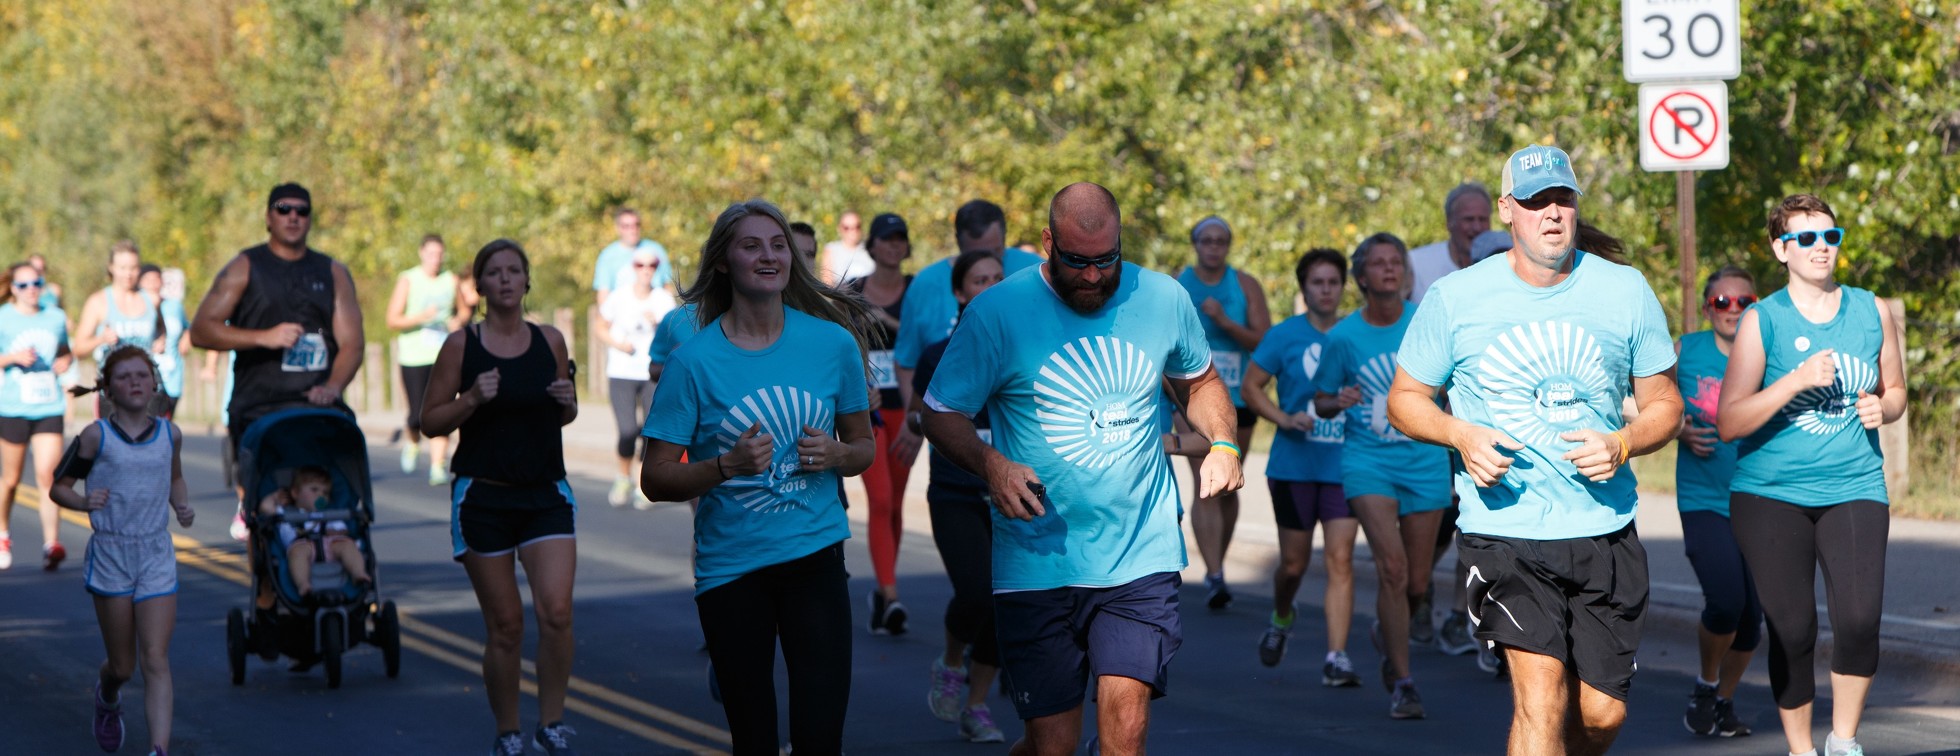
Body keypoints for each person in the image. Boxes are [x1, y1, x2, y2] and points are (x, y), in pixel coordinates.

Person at [922, 182, 1244, 756]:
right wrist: (991, 463)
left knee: (1125, 736)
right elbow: (941, 413)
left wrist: (1223, 441)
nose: (1093, 276)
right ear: (1048, 243)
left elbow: (1199, 380)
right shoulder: (998, 312)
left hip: (1138, 553)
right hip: (1037, 560)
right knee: (1054, 747)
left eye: (1106, 260)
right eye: (1077, 261)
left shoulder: (1164, 297)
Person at [1388, 144, 1683, 754]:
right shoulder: (1456, 298)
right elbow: (1405, 399)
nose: (1551, 213)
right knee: (1540, 700)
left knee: (1600, 717)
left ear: (1575, 207)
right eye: (1534, 201)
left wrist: (1624, 441)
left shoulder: (1625, 291)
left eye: (1562, 200)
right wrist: (1459, 434)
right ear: (1507, 210)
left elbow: (1667, 406)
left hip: (1603, 525)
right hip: (1506, 528)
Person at [640, 199, 875, 756]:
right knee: (755, 739)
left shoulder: (832, 344)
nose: (768, 256)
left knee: (820, 739)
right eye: (751, 245)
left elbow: (863, 446)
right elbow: (654, 478)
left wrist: (839, 456)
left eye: (777, 245)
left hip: (815, 559)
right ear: (723, 262)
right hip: (733, 570)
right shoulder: (692, 362)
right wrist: (727, 465)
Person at [1717, 194, 1905, 756]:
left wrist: (1884, 408)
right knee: (1795, 630)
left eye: (1830, 237)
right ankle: (1801, 750)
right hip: (1770, 495)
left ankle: (1843, 742)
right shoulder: (1763, 319)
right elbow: (1729, 421)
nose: (1821, 248)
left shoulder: (1872, 310)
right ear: (1781, 248)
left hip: (1854, 485)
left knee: (1859, 619)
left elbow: (1894, 390)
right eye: (1806, 239)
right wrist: (1794, 382)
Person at [420, 239, 582, 756]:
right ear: (480, 285)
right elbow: (430, 422)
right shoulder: (461, 346)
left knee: (556, 613)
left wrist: (568, 403)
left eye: (515, 271)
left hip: (545, 494)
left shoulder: (550, 341)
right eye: (495, 272)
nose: (507, 279)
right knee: (507, 625)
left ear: (527, 281)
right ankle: (509, 731)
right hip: (483, 499)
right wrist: (471, 398)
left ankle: (551, 723)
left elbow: (563, 412)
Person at [190, 183, 364, 581]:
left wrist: (333, 387)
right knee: (264, 507)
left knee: (334, 497)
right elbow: (201, 330)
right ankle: (268, 591)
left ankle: (342, 577)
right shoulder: (245, 266)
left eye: (301, 211)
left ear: (310, 218)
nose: (292, 217)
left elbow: (353, 344)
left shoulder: (332, 271)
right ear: (268, 217)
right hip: (259, 408)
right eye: (283, 209)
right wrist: (261, 337)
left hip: (317, 408)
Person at [1311, 232, 1449, 720]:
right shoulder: (1344, 337)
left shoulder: (1427, 324)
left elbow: (1453, 388)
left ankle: (1387, 635)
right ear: (1362, 277)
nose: (1390, 269)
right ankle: (1405, 683)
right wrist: (1338, 400)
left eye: (1397, 263)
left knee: (1415, 583)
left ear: (1406, 275)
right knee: (1391, 570)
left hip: (1425, 460)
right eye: (1379, 263)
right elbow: (1321, 397)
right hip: (1368, 462)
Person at [48, 346, 193, 756]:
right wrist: (83, 503)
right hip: (111, 553)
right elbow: (59, 487)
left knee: (156, 658)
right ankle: (107, 695)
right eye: (125, 376)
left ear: (154, 384)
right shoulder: (97, 436)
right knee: (124, 667)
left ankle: (159, 750)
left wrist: (180, 504)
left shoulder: (170, 434)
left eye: (142, 375)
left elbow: (175, 477)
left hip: (155, 553)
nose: (135, 382)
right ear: (108, 388)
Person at [1241, 248, 1359, 685]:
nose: (1326, 290)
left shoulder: (1355, 333)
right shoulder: (1284, 335)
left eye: (1333, 282)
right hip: (1293, 465)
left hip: (1344, 465)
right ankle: (1282, 615)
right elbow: (1251, 387)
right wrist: (1282, 418)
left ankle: (1337, 656)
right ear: (1303, 288)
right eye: (1317, 283)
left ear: (1343, 286)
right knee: (1293, 565)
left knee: (1340, 558)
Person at [911, 249, 1008, 742]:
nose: (989, 286)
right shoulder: (937, 355)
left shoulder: (1022, 349)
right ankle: (952, 661)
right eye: (979, 279)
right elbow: (920, 414)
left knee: (1005, 599)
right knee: (976, 593)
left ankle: (976, 705)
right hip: (956, 492)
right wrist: (919, 424)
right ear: (960, 292)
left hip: (1012, 494)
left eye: (997, 278)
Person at [890, 200, 1046, 484]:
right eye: (975, 258)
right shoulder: (925, 284)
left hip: (1026, 452)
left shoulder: (1037, 273)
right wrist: (917, 420)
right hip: (956, 458)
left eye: (995, 253)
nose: (990, 282)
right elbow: (908, 361)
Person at [1675, 265, 1762, 738]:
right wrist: (1677, 428)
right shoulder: (1685, 351)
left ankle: (1722, 702)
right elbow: (1640, 398)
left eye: (1743, 302)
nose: (1733, 310)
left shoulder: (1771, 352)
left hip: (1760, 500)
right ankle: (1706, 686)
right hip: (1704, 500)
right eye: (1721, 303)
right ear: (1709, 308)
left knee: (1751, 625)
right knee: (1726, 603)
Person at [1175, 215, 1271, 610]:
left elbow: (1265, 339)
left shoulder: (1244, 285)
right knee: (1204, 481)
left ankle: (1219, 565)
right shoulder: (1179, 284)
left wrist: (1223, 320)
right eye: (1206, 240)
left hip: (1238, 399)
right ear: (1195, 244)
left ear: (1228, 246)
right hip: (1189, 393)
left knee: (1229, 483)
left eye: (1221, 241)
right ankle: (1214, 574)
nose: (1213, 247)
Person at [845, 212, 917, 634]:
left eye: (900, 239)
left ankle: (882, 592)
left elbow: (920, 338)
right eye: (885, 239)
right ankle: (890, 596)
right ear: (871, 246)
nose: (893, 245)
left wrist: (885, 320)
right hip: (866, 407)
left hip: (904, 409)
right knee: (881, 499)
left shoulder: (916, 291)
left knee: (896, 503)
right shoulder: (852, 291)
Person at [0, 262, 74, 571]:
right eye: (24, 285)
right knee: (12, 479)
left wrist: (65, 362)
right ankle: (3, 533)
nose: (31, 290)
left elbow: (66, 351)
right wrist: (12, 358)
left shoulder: (55, 317)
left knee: (48, 475)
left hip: (48, 405)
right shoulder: (3, 317)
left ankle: (51, 543)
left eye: (36, 283)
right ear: (12, 289)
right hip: (14, 406)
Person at [594, 247, 675, 508]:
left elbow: (676, 333)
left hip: (653, 372)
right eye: (640, 265)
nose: (646, 270)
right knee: (628, 430)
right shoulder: (619, 297)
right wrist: (617, 344)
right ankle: (622, 476)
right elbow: (599, 325)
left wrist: (659, 324)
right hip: (622, 371)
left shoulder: (663, 299)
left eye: (651, 265)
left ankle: (643, 482)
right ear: (633, 268)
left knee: (650, 431)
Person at [385, 234, 465, 485]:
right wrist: (422, 317)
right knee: (417, 415)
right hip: (413, 355)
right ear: (421, 253)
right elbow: (392, 319)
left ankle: (437, 465)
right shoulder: (409, 279)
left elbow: (463, 310)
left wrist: (457, 321)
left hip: (442, 354)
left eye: (439, 254)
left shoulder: (450, 280)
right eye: (431, 254)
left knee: (441, 409)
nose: (435, 259)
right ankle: (412, 440)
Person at [75, 241, 167, 419]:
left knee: (151, 445)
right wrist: (100, 339)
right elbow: (78, 349)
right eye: (123, 267)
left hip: (149, 390)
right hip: (113, 392)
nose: (128, 274)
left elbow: (162, 328)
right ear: (111, 268)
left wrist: (161, 340)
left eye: (133, 267)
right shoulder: (98, 302)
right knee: (115, 446)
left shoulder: (152, 299)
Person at [255, 464, 372, 597]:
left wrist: (337, 533)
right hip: (301, 545)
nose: (320, 496)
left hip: (330, 546)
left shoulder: (330, 514)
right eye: (314, 490)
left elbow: (342, 530)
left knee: (348, 546)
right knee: (297, 554)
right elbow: (265, 507)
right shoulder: (286, 512)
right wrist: (276, 496)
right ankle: (303, 584)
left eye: (325, 493)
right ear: (295, 493)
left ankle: (359, 573)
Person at [1406, 182, 1493, 304]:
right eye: (1469, 219)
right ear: (1449, 221)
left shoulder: (1503, 265)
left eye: (1483, 219)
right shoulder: (1416, 263)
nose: (1477, 227)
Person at [136, 265, 190, 419]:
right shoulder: (134, 307)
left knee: (165, 427)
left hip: (172, 376)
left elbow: (188, 327)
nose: (153, 283)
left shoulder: (174, 306)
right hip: (145, 377)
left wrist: (185, 341)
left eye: (156, 279)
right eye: (148, 280)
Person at [592, 208, 674, 308]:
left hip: (655, 316)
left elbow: (668, 287)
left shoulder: (657, 250)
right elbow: (603, 294)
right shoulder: (607, 256)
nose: (633, 230)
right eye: (627, 226)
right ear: (618, 228)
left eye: (636, 225)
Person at [821, 211, 871, 284]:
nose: (853, 231)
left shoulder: (871, 249)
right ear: (839, 228)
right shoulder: (831, 249)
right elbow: (827, 283)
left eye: (857, 226)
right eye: (846, 228)